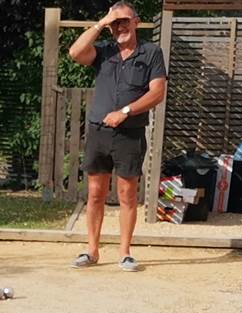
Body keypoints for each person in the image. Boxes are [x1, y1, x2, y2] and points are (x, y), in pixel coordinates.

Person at [66, 2, 166, 272]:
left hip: (129, 135)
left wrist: (125, 111)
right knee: (95, 194)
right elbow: (75, 52)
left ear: (136, 22)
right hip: (99, 132)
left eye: (124, 21)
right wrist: (101, 22)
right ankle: (92, 250)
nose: (119, 27)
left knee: (127, 195)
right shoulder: (103, 52)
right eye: (114, 23)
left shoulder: (151, 53)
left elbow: (157, 93)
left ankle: (124, 253)